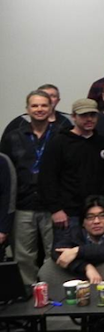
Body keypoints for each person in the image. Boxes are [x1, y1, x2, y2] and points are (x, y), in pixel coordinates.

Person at [0, 91, 59, 284]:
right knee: (24, 256)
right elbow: (5, 173)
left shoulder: (60, 135)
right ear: (27, 109)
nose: (39, 109)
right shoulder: (12, 137)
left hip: (53, 207)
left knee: (55, 254)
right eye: (34, 105)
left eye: (43, 105)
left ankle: (54, 293)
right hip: (23, 205)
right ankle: (29, 294)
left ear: (51, 107)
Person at [39, 99, 104, 243]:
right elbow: (47, 178)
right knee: (66, 252)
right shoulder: (59, 142)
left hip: (96, 212)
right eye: (84, 115)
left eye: (92, 115)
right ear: (74, 116)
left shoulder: (101, 142)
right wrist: (56, 209)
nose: (89, 119)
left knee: (99, 252)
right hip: (68, 213)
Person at [39, 196, 104, 285]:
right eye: (90, 217)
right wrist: (86, 267)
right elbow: (57, 252)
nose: (96, 221)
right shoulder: (73, 232)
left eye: (102, 216)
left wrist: (78, 251)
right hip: (82, 285)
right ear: (83, 222)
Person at [3, 84, 72, 138]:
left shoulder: (69, 120)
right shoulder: (19, 122)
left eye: (52, 96)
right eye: (43, 95)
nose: (48, 98)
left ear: (58, 100)